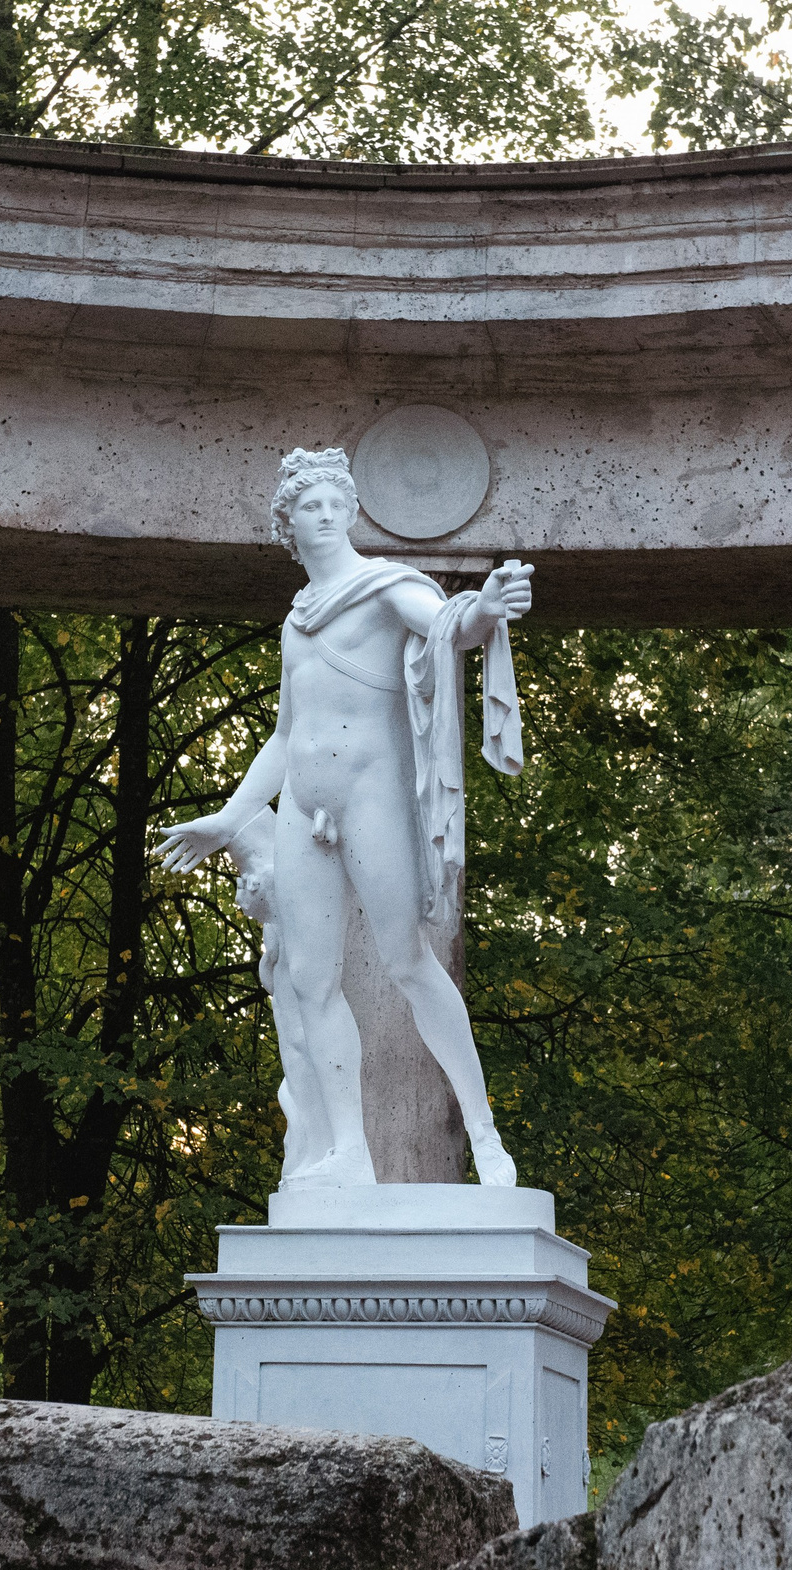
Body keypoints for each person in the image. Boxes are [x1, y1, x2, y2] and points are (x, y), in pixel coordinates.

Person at [158, 447, 532, 1187]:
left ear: (352, 511)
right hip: (303, 806)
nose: (326, 515)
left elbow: (443, 626)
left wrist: (483, 610)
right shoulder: (296, 622)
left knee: (406, 961)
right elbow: (284, 733)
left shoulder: (385, 587)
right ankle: (348, 1155)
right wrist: (231, 817)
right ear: (287, 524)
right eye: (310, 505)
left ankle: (485, 1133)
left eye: (336, 502)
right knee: (310, 981)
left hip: (372, 795)